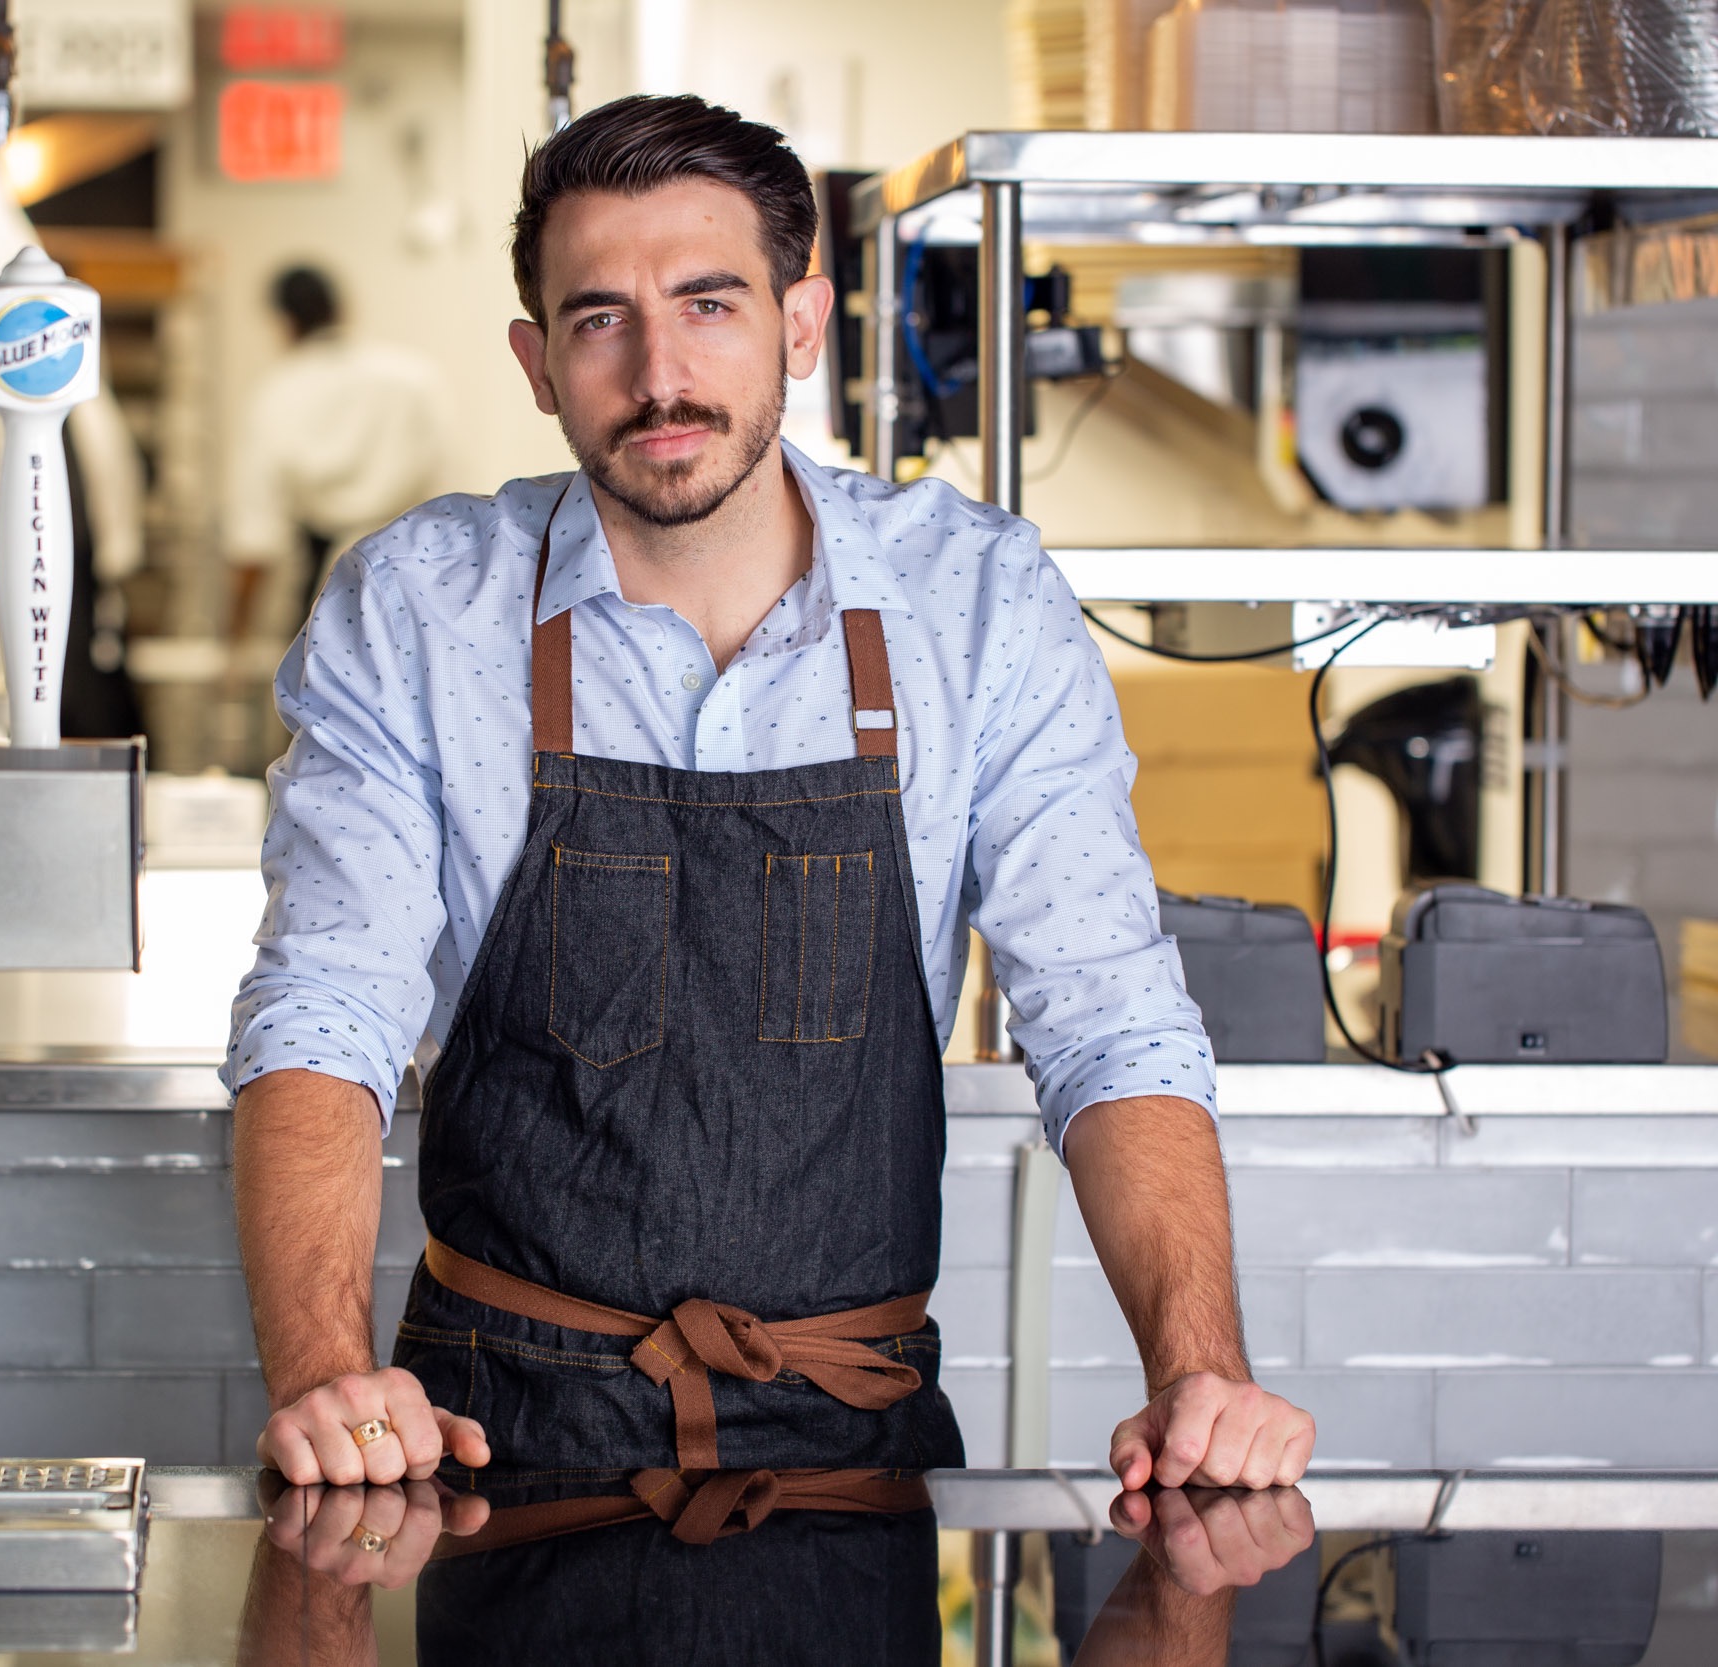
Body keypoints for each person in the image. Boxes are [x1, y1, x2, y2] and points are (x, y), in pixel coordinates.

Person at [226, 94, 1314, 1491]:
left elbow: (1108, 1016)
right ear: (537, 363)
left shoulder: (970, 599)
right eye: (600, 317)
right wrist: (325, 1373)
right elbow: (327, 1005)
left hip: (852, 1446)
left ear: (804, 323)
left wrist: (1199, 1368)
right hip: (487, 1442)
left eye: (710, 303)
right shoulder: (424, 607)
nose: (660, 372)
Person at [227, 263, 449, 627]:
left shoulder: (279, 391)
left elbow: (256, 529)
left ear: (285, 322)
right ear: (340, 309)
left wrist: (236, 635)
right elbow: (449, 489)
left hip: (323, 589)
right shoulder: (413, 376)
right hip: (414, 581)